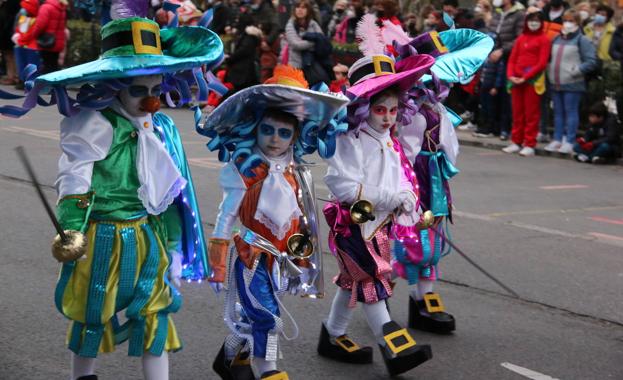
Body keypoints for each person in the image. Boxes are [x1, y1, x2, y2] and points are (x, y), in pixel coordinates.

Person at [0, 5, 223, 379]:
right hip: (103, 238)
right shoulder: (94, 123)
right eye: (139, 90)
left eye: (155, 90)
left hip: (147, 236)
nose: (150, 100)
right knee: (92, 314)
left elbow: (166, 191)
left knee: (156, 315)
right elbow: (76, 178)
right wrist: (71, 226)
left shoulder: (159, 126)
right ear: (115, 86)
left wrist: (172, 245)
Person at [201, 65, 348, 380]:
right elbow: (226, 216)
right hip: (251, 256)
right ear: (255, 128)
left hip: (282, 260)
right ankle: (269, 371)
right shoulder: (245, 168)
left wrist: (301, 255)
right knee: (267, 317)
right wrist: (217, 264)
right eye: (268, 130)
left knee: (254, 313)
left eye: (284, 132)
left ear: (296, 135)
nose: (274, 139)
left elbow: (300, 215)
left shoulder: (295, 170)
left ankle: (229, 357)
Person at [317, 32, 436, 373]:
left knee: (353, 281)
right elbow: (341, 185)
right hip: (353, 227)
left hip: (379, 227)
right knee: (371, 281)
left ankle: (333, 334)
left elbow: (400, 179)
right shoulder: (351, 139)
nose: (387, 117)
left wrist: (409, 200)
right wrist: (389, 198)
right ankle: (394, 346)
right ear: (366, 108)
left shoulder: (388, 139)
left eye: (393, 110)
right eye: (380, 109)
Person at [544, 9, 598, 154]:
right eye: (565, 20)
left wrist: (576, 70)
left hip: (573, 83)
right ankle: (557, 139)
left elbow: (592, 61)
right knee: (558, 112)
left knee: (571, 111)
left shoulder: (582, 40)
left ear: (578, 23)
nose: (567, 24)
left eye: (571, 21)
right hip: (555, 81)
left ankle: (569, 140)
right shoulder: (556, 38)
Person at [502, 8, 551, 157]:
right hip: (516, 80)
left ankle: (529, 143)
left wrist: (526, 76)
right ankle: (516, 141)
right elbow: (512, 60)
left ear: (541, 22)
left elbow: (542, 63)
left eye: (537, 20)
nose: (533, 23)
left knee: (531, 113)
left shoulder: (544, 39)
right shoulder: (521, 38)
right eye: (531, 20)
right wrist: (511, 75)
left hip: (532, 81)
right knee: (517, 112)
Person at [478, 0, 524, 141]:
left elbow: (519, 38)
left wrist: (503, 50)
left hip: (508, 58)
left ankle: (505, 128)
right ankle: (490, 126)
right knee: (489, 95)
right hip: (492, 57)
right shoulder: (496, 14)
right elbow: (491, 33)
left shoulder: (519, 14)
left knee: (505, 95)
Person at [17, 0, 66, 74]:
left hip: (46, 41)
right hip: (57, 41)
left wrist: (34, 35)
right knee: (54, 65)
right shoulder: (61, 7)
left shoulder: (45, 7)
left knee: (46, 66)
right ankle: (56, 84)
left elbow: (40, 25)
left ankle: (46, 85)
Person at [281, 0, 323, 69]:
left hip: (312, 63)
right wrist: (314, 41)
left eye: (303, 8)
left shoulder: (313, 24)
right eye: (298, 7)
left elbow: (321, 39)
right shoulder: (290, 24)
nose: (300, 10)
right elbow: (296, 45)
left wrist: (316, 40)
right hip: (295, 65)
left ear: (308, 10)